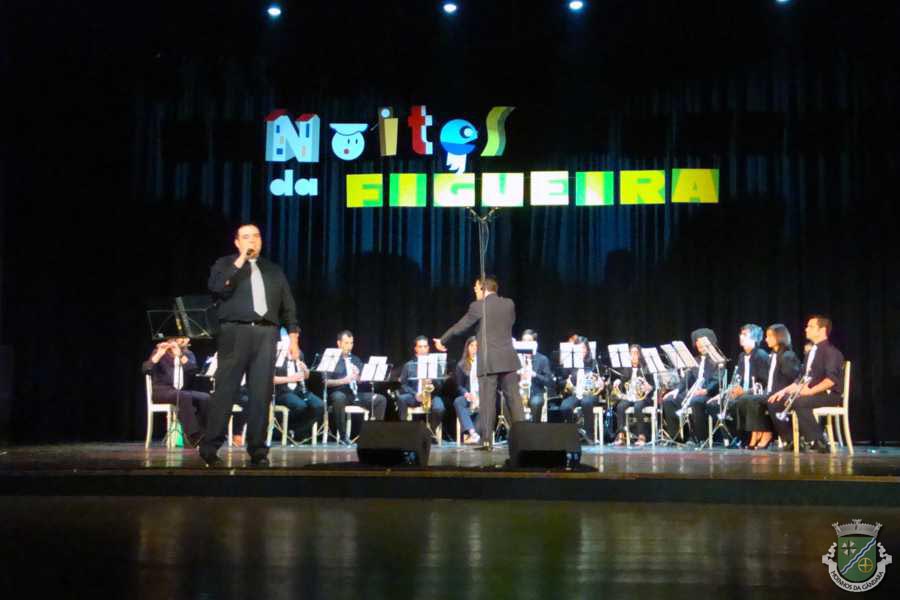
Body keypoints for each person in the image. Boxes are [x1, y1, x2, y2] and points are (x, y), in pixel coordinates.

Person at [200, 223, 300, 467]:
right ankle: (210, 447)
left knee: (261, 394)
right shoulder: (225, 264)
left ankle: (258, 450)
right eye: (246, 237)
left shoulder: (273, 270)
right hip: (235, 332)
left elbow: (288, 307)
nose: (252, 241)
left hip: (267, 333)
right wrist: (241, 260)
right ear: (237, 242)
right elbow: (217, 288)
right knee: (226, 390)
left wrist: (293, 338)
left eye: (256, 236)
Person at [434, 276, 524, 449]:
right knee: (514, 400)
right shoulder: (509, 303)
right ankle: (524, 439)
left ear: (484, 288)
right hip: (508, 357)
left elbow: (461, 326)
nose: (474, 291)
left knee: (487, 401)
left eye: (476, 288)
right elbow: (509, 323)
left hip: (488, 360)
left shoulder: (478, 306)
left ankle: (486, 441)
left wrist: (443, 340)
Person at [768, 316, 844, 452]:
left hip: (829, 395)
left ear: (822, 330)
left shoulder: (832, 352)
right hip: (812, 393)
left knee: (799, 402)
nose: (806, 329)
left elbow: (830, 381)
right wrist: (782, 392)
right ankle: (791, 440)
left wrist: (809, 391)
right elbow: (800, 379)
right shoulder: (810, 353)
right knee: (775, 401)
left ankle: (819, 441)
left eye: (810, 327)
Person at [734, 324, 801, 449]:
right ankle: (755, 434)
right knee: (746, 399)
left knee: (752, 400)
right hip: (770, 392)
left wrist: (783, 392)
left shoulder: (787, 356)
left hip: (781, 394)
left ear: (779, 337)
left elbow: (794, 379)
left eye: (769, 336)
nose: (766, 339)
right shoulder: (773, 355)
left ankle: (767, 433)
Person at [142, 336, 208, 447]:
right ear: (172, 339)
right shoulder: (159, 351)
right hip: (162, 391)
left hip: (181, 391)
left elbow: (193, 370)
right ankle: (194, 436)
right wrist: (159, 354)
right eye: (182, 338)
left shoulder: (188, 354)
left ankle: (204, 434)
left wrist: (180, 355)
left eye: (186, 338)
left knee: (206, 398)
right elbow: (146, 369)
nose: (186, 340)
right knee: (184, 396)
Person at [325, 330, 387, 445]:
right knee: (339, 398)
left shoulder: (355, 359)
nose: (349, 346)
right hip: (339, 392)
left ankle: (375, 436)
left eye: (351, 343)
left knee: (380, 399)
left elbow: (363, 380)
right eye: (346, 343)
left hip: (354, 394)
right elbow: (325, 382)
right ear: (339, 343)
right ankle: (343, 437)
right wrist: (344, 380)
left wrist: (358, 376)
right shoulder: (331, 359)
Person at [661, 328, 721, 444]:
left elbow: (717, 379)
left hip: (709, 394)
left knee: (695, 401)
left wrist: (706, 390)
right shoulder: (695, 360)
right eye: (698, 344)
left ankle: (700, 438)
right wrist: (677, 390)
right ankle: (677, 438)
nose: (700, 347)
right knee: (669, 400)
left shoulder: (718, 360)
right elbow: (687, 378)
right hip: (693, 392)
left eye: (703, 344)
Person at [718, 324, 770, 446]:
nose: (741, 336)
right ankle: (733, 437)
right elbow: (739, 378)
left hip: (755, 393)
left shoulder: (761, 355)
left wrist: (746, 391)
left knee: (741, 401)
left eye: (745, 334)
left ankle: (747, 436)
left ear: (754, 338)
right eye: (741, 334)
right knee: (724, 401)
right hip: (743, 393)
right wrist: (733, 389)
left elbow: (764, 382)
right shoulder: (742, 356)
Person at [272, 336, 323, 443]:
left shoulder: (299, 353)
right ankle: (289, 430)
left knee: (319, 405)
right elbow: (271, 379)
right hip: (282, 391)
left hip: (298, 390)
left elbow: (306, 376)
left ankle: (296, 432)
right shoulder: (277, 354)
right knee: (300, 406)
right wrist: (291, 378)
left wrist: (305, 370)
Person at [396, 336, 447, 438]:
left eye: (425, 346)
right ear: (415, 348)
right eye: (420, 347)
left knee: (440, 408)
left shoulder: (435, 364)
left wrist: (433, 381)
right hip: (415, 395)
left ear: (428, 348)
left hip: (431, 396)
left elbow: (441, 384)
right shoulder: (409, 365)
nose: (423, 349)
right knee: (401, 399)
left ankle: (431, 431)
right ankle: (404, 431)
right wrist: (415, 394)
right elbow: (403, 385)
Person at [558, 336, 604, 444]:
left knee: (586, 402)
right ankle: (572, 433)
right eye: (579, 348)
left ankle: (589, 434)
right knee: (565, 407)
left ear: (587, 349)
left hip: (590, 394)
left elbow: (601, 379)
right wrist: (567, 381)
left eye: (583, 348)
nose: (581, 351)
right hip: (575, 394)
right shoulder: (570, 363)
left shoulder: (593, 363)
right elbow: (561, 382)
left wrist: (601, 383)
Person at [612, 344, 654, 447]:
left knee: (638, 406)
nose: (633, 356)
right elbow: (622, 386)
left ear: (640, 355)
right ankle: (621, 435)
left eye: (636, 353)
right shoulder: (626, 369)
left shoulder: (646, 369)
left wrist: (649, 387)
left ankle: (641, 436)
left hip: (643, 397)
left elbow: (654, 386)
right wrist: (618, 382)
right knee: (620, 406)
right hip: (630, 396)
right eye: (631, 353)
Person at [519, 329, 554, 423]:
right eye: (524, 341)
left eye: (529, 341)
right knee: (506, 402)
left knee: (536, 402)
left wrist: (535, 374)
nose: (526, 344)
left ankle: (534, 428)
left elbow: (549, 381)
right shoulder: (516, 358)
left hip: (536, 392)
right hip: (519, 392)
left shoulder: (542, 359)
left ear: (534, 343)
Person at [452, 337, 481, 444]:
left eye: (476, 346)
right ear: (467, 347)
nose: (474, 348)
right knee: (458, 401)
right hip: (470, 396)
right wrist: (466, 394)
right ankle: (472, 433)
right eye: (471, 345)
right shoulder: (461, 365)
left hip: (482, 395)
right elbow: (459, 386)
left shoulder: (484, 363)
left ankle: (479, 433)